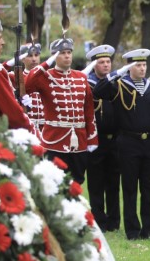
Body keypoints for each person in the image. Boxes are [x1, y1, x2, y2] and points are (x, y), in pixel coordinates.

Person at [94, 48, 150, 240]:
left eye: (144, 65)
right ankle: (133, 230)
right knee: (129, 188)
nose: (142, 68)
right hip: (128, 142)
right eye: (138, 65)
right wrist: (115, 73)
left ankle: (149, 229)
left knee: (149, 187)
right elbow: (98, 91)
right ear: (129, 67)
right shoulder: (118, 86)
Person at [26, 37, 98, 184]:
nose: (67, 56)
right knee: (55, 184)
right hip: (54, 141)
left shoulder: (80, 77)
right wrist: (47, 62)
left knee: (77, 183)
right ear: (55, 56)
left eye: (69, 52)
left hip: (79, 141)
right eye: (62, 53)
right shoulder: (46, 76)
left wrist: (92, 138)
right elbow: (28, 84)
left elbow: (89, 111)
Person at [85, 44, 121, 231]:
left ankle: (114, 221)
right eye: (101, 62)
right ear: (94, 65)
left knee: (113, 183)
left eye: (108, 62)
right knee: (96, 182)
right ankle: (99, 219)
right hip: (95, 140)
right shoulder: (88, 83)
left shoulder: (116, 83)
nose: (106, 65)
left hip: (114, 140)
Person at [4, 43, 44, 136]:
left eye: (36, 55)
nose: (34, 59)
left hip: (46, 129)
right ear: (22, 58)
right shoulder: (14, 77)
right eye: (30, 56)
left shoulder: (47, 77)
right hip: (26, 128)